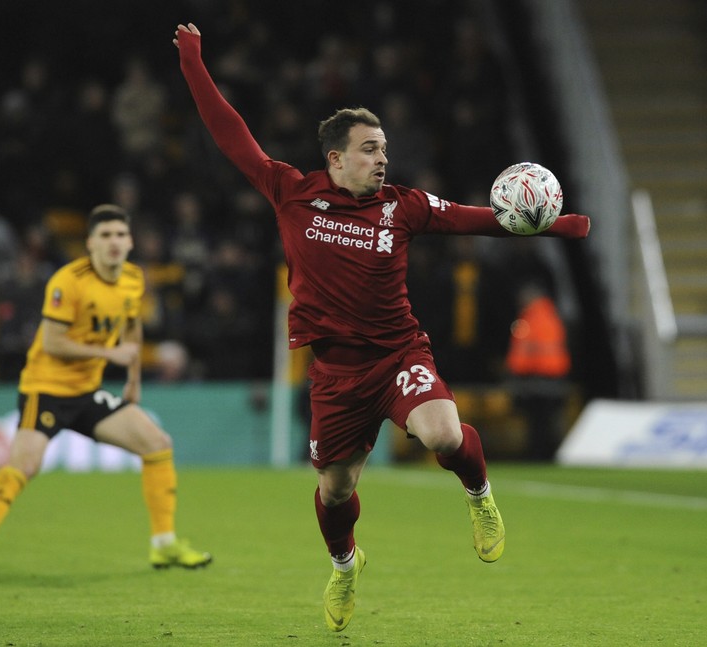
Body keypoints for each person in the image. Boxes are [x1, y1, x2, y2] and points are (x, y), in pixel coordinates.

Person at [173, 23, 590, 632]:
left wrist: (555, 226)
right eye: (370, 149)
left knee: (443, 435)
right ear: (336, 157)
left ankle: (480, 498)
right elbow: (229, 133)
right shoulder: (291, 191)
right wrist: (193, 64)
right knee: (336, 493)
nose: (382, 159)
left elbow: (479, 219)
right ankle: (345, 566)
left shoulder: (403, 205)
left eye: (385, 149)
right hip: (336, 373)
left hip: (398, 354)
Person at [0, 204, 212, 574]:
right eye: (105, 235)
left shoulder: (134, 279)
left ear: (130, 241)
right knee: (25, 465)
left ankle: (164, 544)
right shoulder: (68, 282)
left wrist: (133, 379)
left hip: (87, 391)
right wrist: (110, 353)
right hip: (46, 388)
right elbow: (54, 342)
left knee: (157, 444)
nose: (114, 242)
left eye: (120, 235)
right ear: (89, 243)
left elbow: (132, 330)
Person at [505, 280, 572, 461]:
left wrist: (514, 372)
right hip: (553, 377)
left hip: (537, 379)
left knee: (538, 423)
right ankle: (548, 455)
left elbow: (525, 352)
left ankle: (539, 456)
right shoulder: (551, 316)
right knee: (548, 422)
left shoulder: (531, 319)